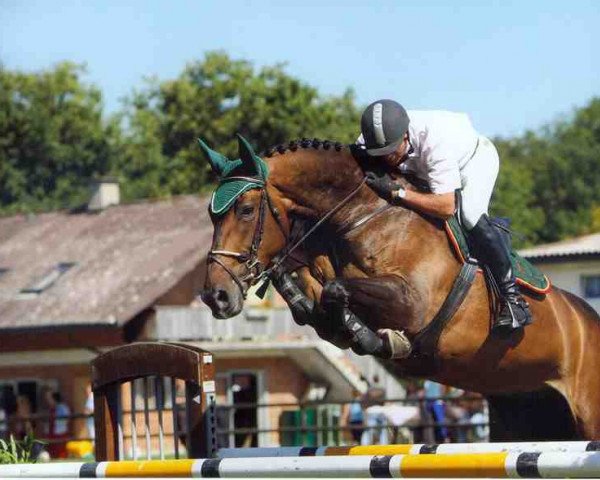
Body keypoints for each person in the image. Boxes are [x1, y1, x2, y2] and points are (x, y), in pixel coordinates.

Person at [358, 99, 531, 331]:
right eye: (380, 152)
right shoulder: (374, 139)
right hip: (426, 169)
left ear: (406, 136)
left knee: (469, 215)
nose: (385, 157)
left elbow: (446, 206)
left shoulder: (434, 141)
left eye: (391, 150)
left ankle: (513, 301)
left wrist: (399, 193)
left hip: (473, 162)